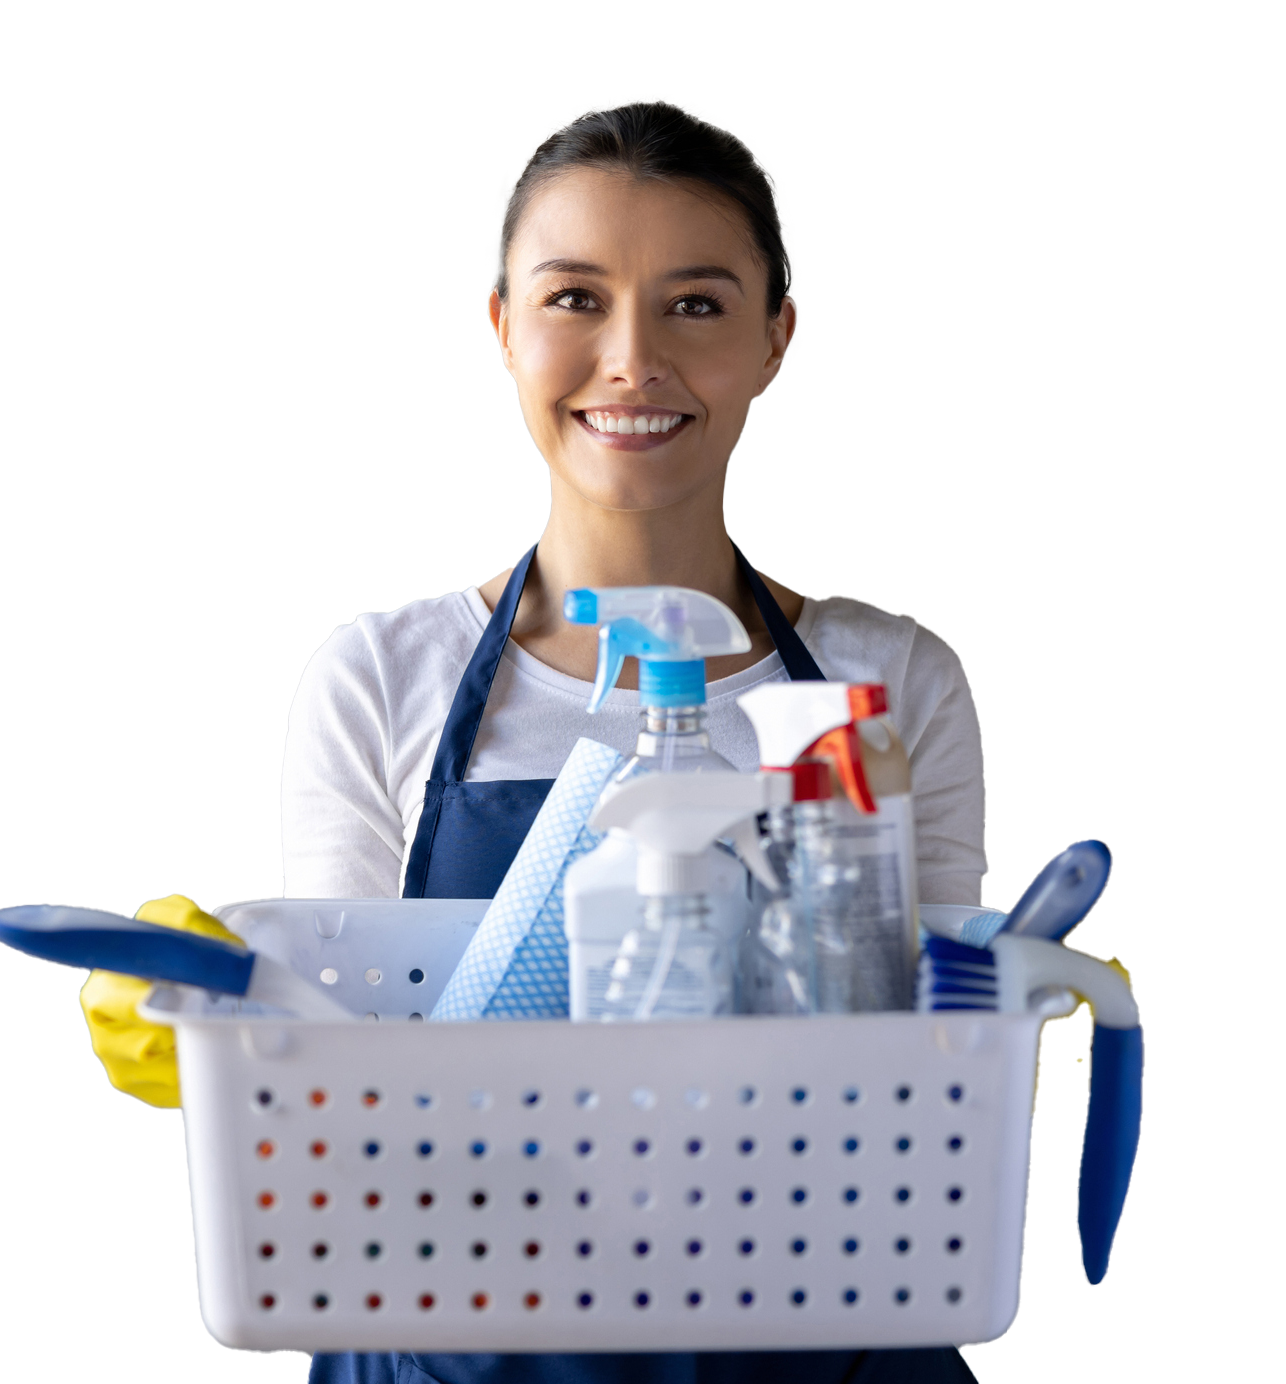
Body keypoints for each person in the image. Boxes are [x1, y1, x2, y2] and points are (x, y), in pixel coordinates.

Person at [280, 101, 985, 1384]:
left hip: (828, 1349)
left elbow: (929, 1116)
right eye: (573, 299)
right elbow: (346, 1107)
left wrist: (1009, 1005)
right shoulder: (382, 682)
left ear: (775, 337)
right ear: (504, 328)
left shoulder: (886, 688)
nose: (631, 360)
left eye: (697, 306)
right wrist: (229, 1026)